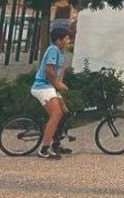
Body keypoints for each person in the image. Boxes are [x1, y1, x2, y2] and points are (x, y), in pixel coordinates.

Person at [32, 27, 71, 159]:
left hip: (50, 87)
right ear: (58, 40)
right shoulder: (53, 49)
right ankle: (43, 150)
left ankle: (56, 143)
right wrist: (56, 84)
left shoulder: (61, 53)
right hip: (42, 86)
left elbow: (60, 72)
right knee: (56, 113)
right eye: (66, 38)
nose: (68, 40)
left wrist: (59, 85)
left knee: (65, 112)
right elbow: (49, 70)